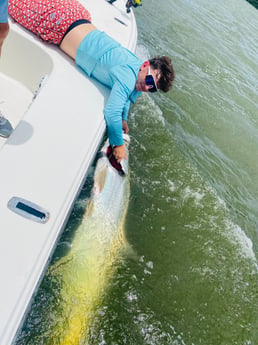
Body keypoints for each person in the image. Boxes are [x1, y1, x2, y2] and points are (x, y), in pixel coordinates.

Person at [8, 0, 174, 162]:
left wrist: (123, 118)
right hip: (59, 22)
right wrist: (118, 145)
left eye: (152, 88)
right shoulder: (127, 77)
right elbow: (111, 112)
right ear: (145, 64)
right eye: (150, 81)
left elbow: (129, 97)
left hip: (76, 14)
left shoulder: (137, 70)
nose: (146, 87)